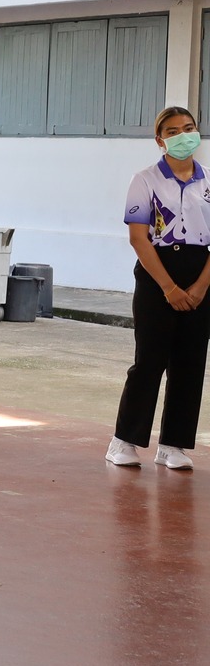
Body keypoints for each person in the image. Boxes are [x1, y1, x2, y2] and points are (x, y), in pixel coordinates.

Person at [108, 105, 210, 471]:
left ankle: (173, 445)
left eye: (189, 128)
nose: (183, 136)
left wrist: (199, 287)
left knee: (190, 362)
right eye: (173, 131)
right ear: (160, 140)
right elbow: (139, 239)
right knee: (149, 361)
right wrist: (168, 287)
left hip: (200, 272)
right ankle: (124, 441)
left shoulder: (209, 180)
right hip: (157, 274)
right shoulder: (145, 180)